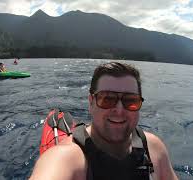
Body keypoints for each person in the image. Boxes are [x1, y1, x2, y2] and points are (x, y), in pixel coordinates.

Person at [30, 62, 178, 180]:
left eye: (130, 100)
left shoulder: (154, 148)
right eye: (107, 99)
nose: (119, 110)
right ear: (91, 102)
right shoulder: (66, 159)